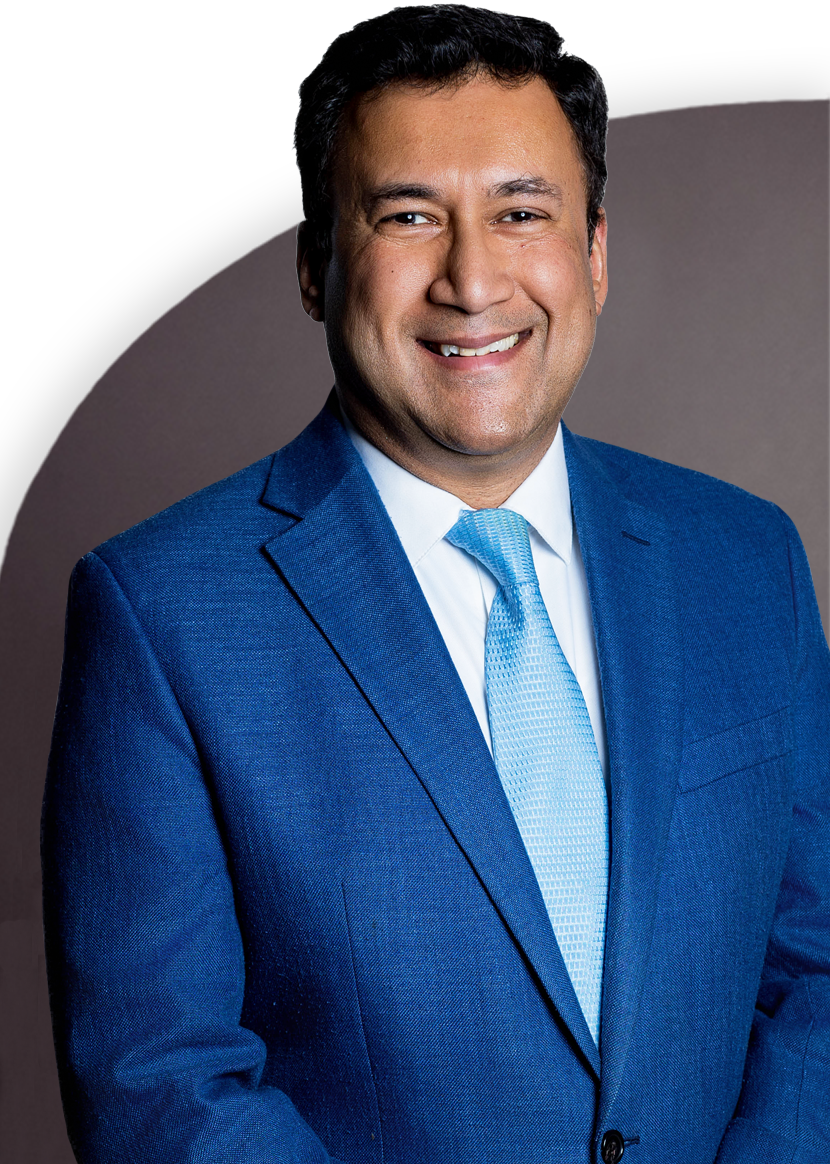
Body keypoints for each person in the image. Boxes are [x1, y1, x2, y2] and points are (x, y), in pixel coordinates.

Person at [42, 5, 829, 1163]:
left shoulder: (744, 557)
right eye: (408, 216)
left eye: (521, 213)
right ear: (315, 268)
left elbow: (815, 967)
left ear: (594, 254)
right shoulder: (158, 613)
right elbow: (160, 1084)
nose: (472, 279)